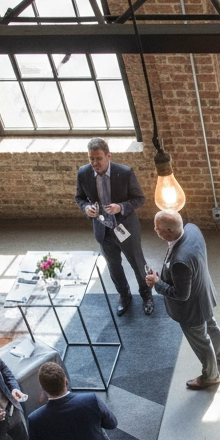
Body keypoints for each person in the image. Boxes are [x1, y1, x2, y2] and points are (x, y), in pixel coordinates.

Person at [146, 210, 220, 390]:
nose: (155, 230)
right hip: (204, 294)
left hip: (191, 310)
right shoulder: (191, 229)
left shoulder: (180, 261)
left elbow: (181, 294)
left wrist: (157, 283)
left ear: (169, 231)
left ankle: (211, 376)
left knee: (202, 342)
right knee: (212, 327)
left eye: (158, 228)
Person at [74, 136, 152, 317]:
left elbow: (139, 199)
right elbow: (79, 197)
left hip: (125, 228)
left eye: (98, 159)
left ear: (108, 156)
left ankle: (146, 295)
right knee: (114, 267)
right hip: (103, 230)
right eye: (91, 159)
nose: (94, 163)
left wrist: (121, 207)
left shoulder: (124, 172)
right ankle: (124, 296)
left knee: (138, 264)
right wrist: (86, 208)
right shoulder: (83, 173)